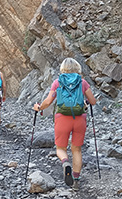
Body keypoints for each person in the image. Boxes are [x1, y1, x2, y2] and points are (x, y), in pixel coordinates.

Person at [33, 57, 96, 190]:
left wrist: (38, 108)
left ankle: (65, 162)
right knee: (77, 149)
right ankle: (76, 181)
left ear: (63, 68)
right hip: (79, 118)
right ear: (77, 68)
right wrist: (85, 103)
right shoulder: (82, 82)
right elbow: (93, 101)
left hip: (62, 118)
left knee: (60, 148)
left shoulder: (58, 82)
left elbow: (48, 101)